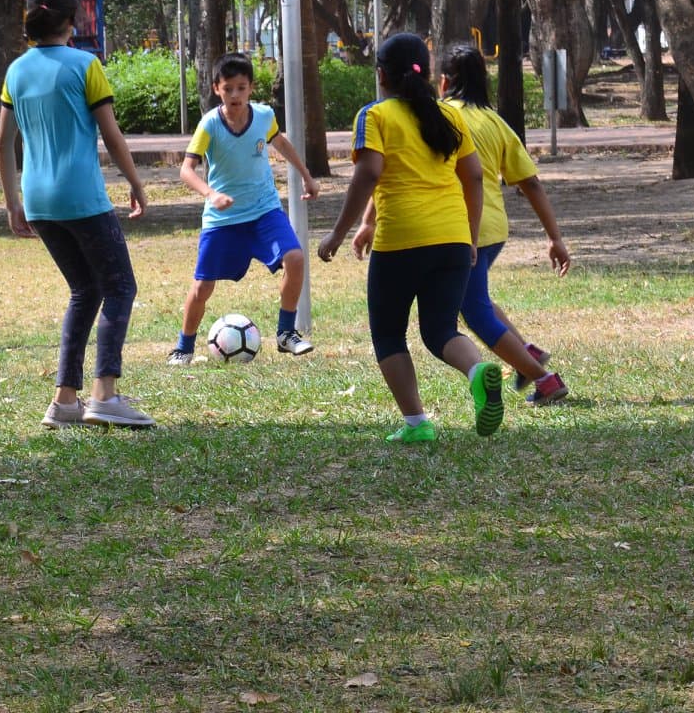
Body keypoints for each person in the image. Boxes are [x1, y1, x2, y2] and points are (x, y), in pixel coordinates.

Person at [316, 32, 502, 443]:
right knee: (440, 331)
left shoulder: (375, 116)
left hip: (401, 240)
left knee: (388, 334)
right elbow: (473, 176)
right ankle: (477, 371)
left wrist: (337, 232)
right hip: (453, 237)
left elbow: (369, 174)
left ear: (380, 75)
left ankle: (417, 424)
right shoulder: (451, 117)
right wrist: (469, 239)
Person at [0, 0, 154, 429]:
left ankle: (65, 401)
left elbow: (3, 144)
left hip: (40, 202)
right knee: (120, 287)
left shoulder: (17, 70)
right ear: (73, 17)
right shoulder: (85, 65)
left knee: (85, 290)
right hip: (82, 197)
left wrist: (12, 203)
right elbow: (111, 134)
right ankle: (104, 393)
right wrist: (137, 183)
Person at [433, 44, 571, 404]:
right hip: (494, 228)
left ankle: (544, 379)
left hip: (464, 228)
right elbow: (531, 182)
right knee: (475, 299)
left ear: (444, 81)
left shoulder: (441, 115)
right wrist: (555, 238)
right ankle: (528, 354)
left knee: (474, 309)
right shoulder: (495, 122)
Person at [170, 51, 319, 365]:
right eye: (228, 88)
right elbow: (186, 169)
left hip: (264, 210)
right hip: (223, 218)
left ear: (251, 88)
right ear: (216, 90)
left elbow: (281, 142)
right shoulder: (210, 124)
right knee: (202, 286)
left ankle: (285, 333)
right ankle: (183, 348)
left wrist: (306, 176)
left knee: (294, 257)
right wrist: (211, 194)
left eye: (241, 87)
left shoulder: (264, 116)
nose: (235, 94)